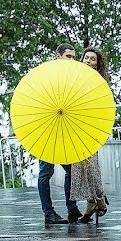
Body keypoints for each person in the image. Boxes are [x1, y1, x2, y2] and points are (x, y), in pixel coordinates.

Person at [38, 43, 81, 225]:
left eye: (73, 57)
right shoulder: (46, 75)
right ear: (58, 56)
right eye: (69, 56)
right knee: (45, 172)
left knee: (71, 169)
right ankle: (49, 213)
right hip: (46, 129)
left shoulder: (72, 76)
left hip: (63, 129)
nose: (72, 60)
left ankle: (72, 209)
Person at [71, 46, 111, 224]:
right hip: (76, 125)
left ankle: (99, 199)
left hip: (90, 126)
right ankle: (93, 202)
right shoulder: (76, 79)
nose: (87, 61)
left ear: (97, 64)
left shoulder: (98, 82)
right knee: (80, 166)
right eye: (85, 58)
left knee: (90, 163)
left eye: (92, 59)